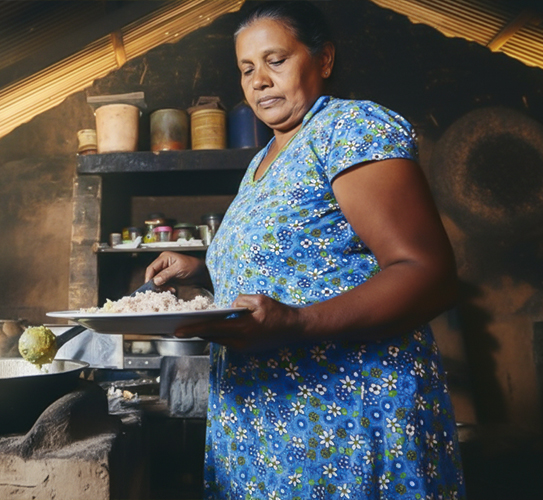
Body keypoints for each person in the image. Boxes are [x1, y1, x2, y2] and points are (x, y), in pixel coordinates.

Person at [144, 2, 465, 499]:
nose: (259, 81)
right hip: (262, 422)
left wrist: (298, 324)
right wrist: (206, 271)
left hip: (342, 416)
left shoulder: (350, 129)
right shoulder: (262, 162)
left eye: (276, 60)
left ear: (324, 59)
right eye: (247, 69)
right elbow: (299, 263)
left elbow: (429, 273)